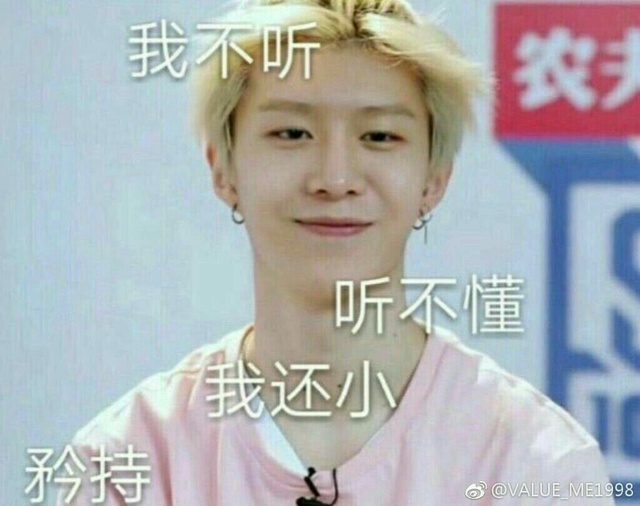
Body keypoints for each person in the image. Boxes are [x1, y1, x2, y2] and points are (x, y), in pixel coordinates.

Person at [58, 0, 614, 504]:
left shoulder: (536, 464)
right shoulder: (127, 462)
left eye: (380, 137)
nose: (335, 178)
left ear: (434, 178)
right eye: (292, 134)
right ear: (222, 167)